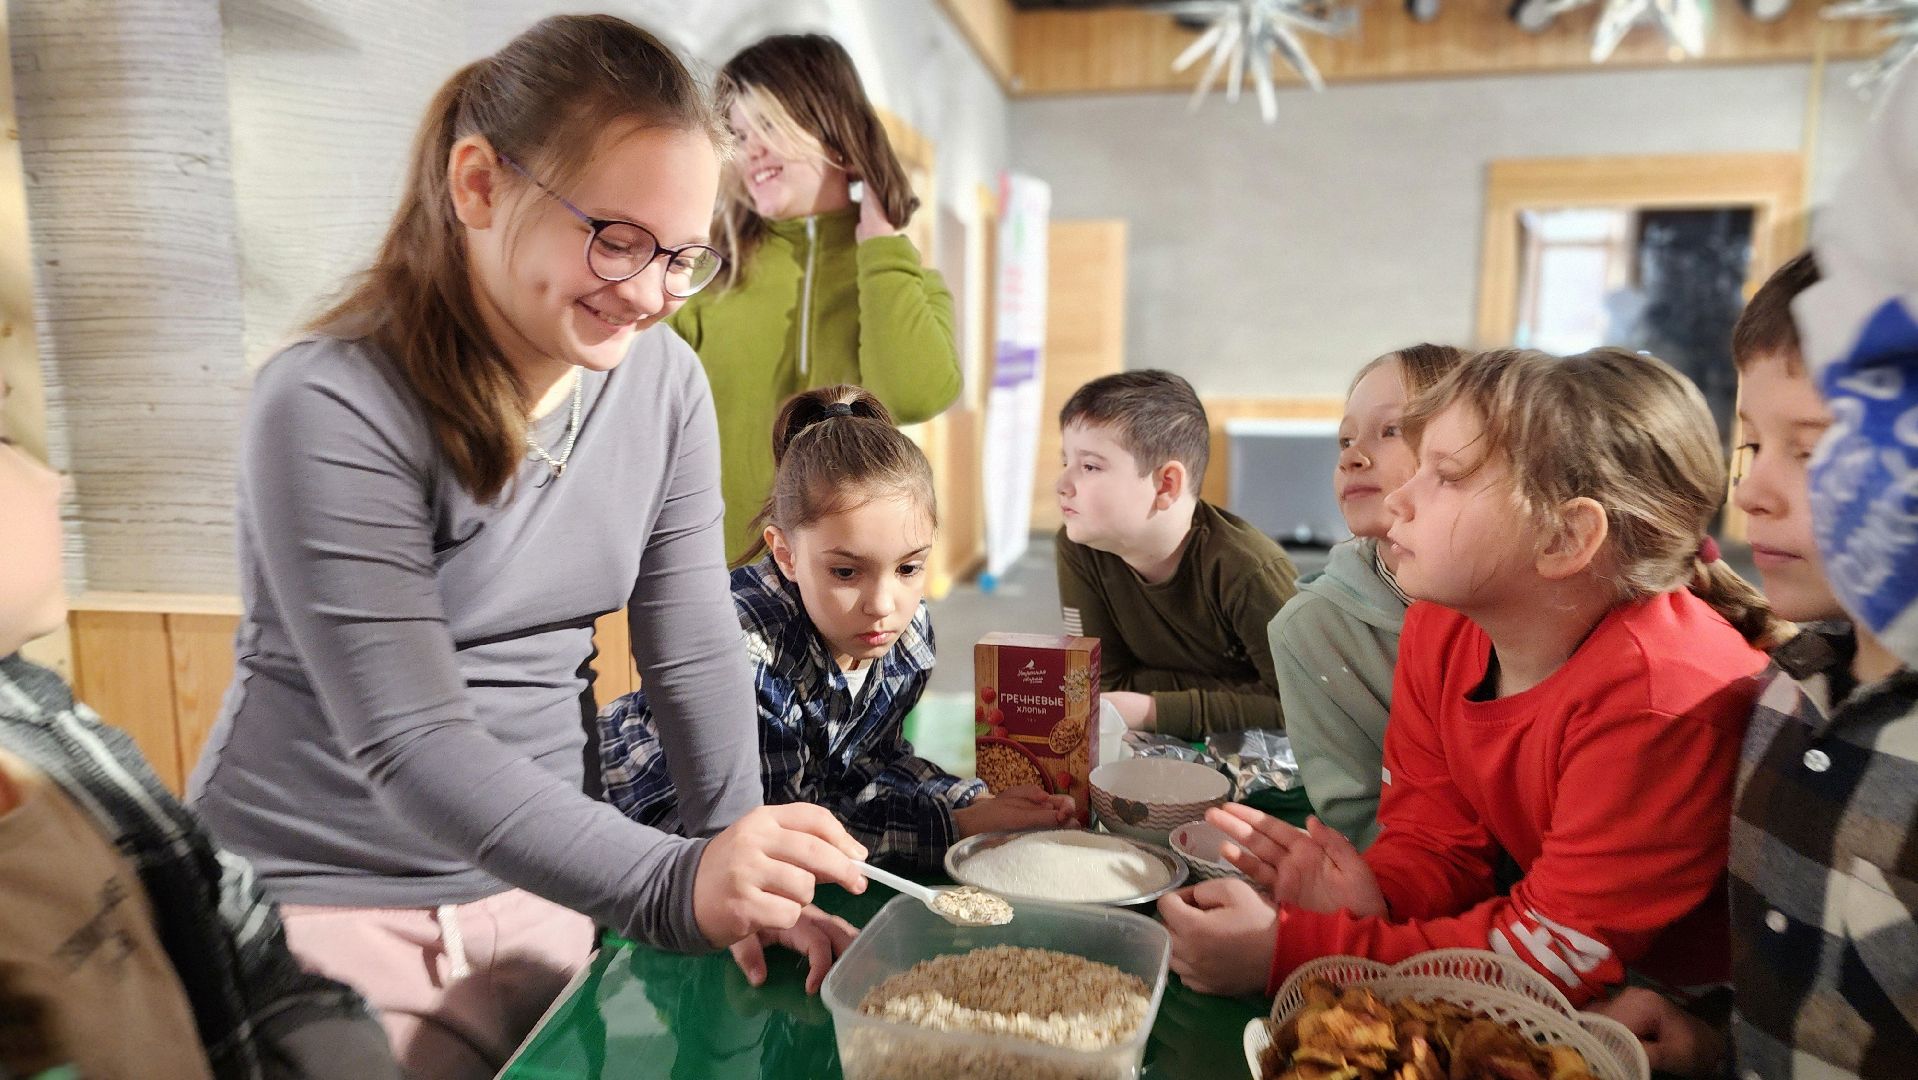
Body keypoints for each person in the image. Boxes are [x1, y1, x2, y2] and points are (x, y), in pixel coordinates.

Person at [185, 18, 866, 1077]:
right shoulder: (326, 400)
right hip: (324, 904)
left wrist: (739, 862)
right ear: (477, 185)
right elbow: (412, 741)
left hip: (549, 880)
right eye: (616, 237)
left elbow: (687, 639)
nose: (647, 294)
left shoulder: (660, 383)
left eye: (682, 256)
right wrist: (675, 884)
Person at [1160, 348, 1779, 1006]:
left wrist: (1293, 955)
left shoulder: (1660, 699)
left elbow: (1549, 953)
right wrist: (1380, 894)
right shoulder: (1444, 625)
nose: (1401, 497)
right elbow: (1434, 836)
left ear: (1565, 538)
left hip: (1694, 1011)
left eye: (1446, 476)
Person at [0, 379, 400, 1079]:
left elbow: (222, 914)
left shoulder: (38, 707)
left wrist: (318, 1033)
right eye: (4, 444)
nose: (54, 482)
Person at [1594, 257, 1918, 1077]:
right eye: (1752, 444)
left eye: (1811, 452)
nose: (1752, 494)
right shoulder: (1782, 690)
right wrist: (1712, 1038)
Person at [601, 386, 1072, 902]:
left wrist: (972, 798)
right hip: (630, 835)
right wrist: (956, 824)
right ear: (785, 554)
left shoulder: (907, 637)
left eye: (909, 567)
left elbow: (870, 767)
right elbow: (781, 835)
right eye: (846, 571)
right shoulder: (743, 660)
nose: (883, 603)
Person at [671, 34, 962, 562]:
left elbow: (915, 394)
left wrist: (879, 242)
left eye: (767, 126)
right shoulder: (706, 275)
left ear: (834, 133)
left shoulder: (900, 278)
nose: (749, 149)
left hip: (858, 580)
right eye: (736, 133)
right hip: (719, 578)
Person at [1267, 343, 1465, 848]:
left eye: (1391, 430)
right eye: (1344, 440)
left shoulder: (1520, 609)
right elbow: (1360, 823)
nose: (1353, 456)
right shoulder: (1310, 630)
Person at [1053, 370, 1299, 738]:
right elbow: (1105, 685)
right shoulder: (1078, 548)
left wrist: (1153, 709)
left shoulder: (1250, 571)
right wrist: (1234, 690)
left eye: (1089, 466)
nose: (1062, 485)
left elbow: (1299, 705)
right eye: (1065, 463)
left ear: (1166, 484)